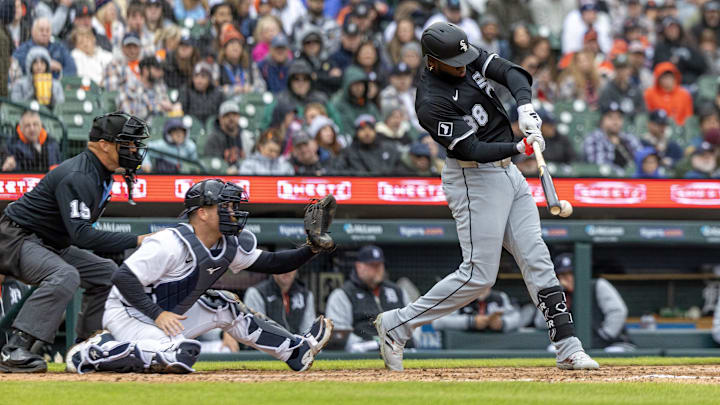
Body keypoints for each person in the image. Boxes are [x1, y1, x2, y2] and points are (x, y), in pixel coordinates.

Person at [374, 22, 599, 372]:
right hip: (471, 177)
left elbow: (513, 72)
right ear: (433, 61)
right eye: (456, 61)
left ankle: (568, 346)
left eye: (466, 56)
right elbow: (473, 148)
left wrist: (524, 107)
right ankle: (398, 324)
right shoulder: (430, 101)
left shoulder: (460, 55)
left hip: (508, 172)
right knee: (479, 275)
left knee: (537, 257)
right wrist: (519, 146)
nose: (465, 64)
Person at [65, 179, 334, 374]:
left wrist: (310, 249)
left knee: (225, 305)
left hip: (169, 315)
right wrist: (157, 314)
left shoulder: (229, 243)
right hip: (128, 315)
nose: (233, 211)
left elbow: (273, 263)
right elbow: (123, 278)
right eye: (225, 206)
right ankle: (94, 352)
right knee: (180, 355)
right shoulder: (169, 242)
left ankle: (295, 350)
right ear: (203, 213)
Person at [0, 112, 151, 373]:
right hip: (14, 238)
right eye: (127, 143)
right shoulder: (79, 174)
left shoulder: (101, 173)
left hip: (47, 243)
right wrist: (136, 239)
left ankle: (86, 347)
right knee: (65, 275)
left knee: (107, 273)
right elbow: (83, 236)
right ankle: (14, 348)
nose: (134, 149)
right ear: (104, 144)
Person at [534, 254, 634, 352]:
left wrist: (604, 335)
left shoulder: (597, 285)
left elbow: (618, 312)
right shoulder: (559, 294)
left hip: (611, 343)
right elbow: (541, 323)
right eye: (563, 274)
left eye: (571, 273)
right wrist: (556, 296)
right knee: (552, 350)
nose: (568, 278)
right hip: (575, 345)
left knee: (613, 352)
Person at [326, 245, 411, 353]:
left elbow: (413, 320)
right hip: (364, 355)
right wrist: (366, 345)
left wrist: (411, 341)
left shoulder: (397, 291)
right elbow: (339, 333)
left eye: (379, 265)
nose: (377, 270)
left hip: (401, 351)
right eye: (372, 265)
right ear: (358, 267)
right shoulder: (343, 294)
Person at [244, 270, 315, 335]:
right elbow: (256, 333)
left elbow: (308, 332)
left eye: (291, 265)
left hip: (297, 347)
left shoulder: (306, 295)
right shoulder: (256, 293)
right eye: (282, 263)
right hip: (264, 348)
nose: (287, 270)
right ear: (273, 266)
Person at [332, 114, 399, 176]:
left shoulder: (389, 149)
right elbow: (337, 171)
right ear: (357, 132)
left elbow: (401, 171)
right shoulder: (348, 153)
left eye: (370, 129)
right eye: (362, 129)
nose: (367, 133)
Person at [117, 56, 180, 121]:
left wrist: (172, 108)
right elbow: (129, 117)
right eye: (157, 69)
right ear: (145, 70)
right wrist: (156, 107)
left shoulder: (160, 86)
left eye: (162, 69)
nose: (161, 73)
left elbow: (167, 110)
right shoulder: (130, 87)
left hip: (159, 128)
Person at [583, 102, 642, 172]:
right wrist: (623, 173)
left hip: (632, 180)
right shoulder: (593, 139)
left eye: (619, 117)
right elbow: (600, 167)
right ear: (602, 120)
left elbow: (643, 161)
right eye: (610, 117)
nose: (615, 121)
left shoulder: (629, 138)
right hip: (605, 181)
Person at [12, 17, 76, 79]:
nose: (44, 33)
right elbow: (16, 65)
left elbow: (72, 69)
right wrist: (46, 64)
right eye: (41, 30)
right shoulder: (24, 49)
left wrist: (60, 72)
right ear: (32, 31)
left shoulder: (59, 48)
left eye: (47, 31)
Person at [432, 288, 521, 333]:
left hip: (495, 346)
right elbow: (438, 322)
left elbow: (517, 318)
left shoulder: (500, 297)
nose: (481, 288)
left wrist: (502, 323)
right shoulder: (460, 297)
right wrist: (471, 322)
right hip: (463, 346)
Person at [643, 61, 693, 126]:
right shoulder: (649, 93)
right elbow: (648, 116)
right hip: (658, 128)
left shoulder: (684, 94)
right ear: (658, 79)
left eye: (670, 76)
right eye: (664, 77)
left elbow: (688, 117)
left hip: (680, 129)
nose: (667, 80)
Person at [203, 100, 246, 173]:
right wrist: (224, 171)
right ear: (220, 118)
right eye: (227, 115)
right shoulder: (213, 138)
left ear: (238, 117)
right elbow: (211, 164)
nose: (231, 118)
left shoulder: (245, 136)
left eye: (234, 115)